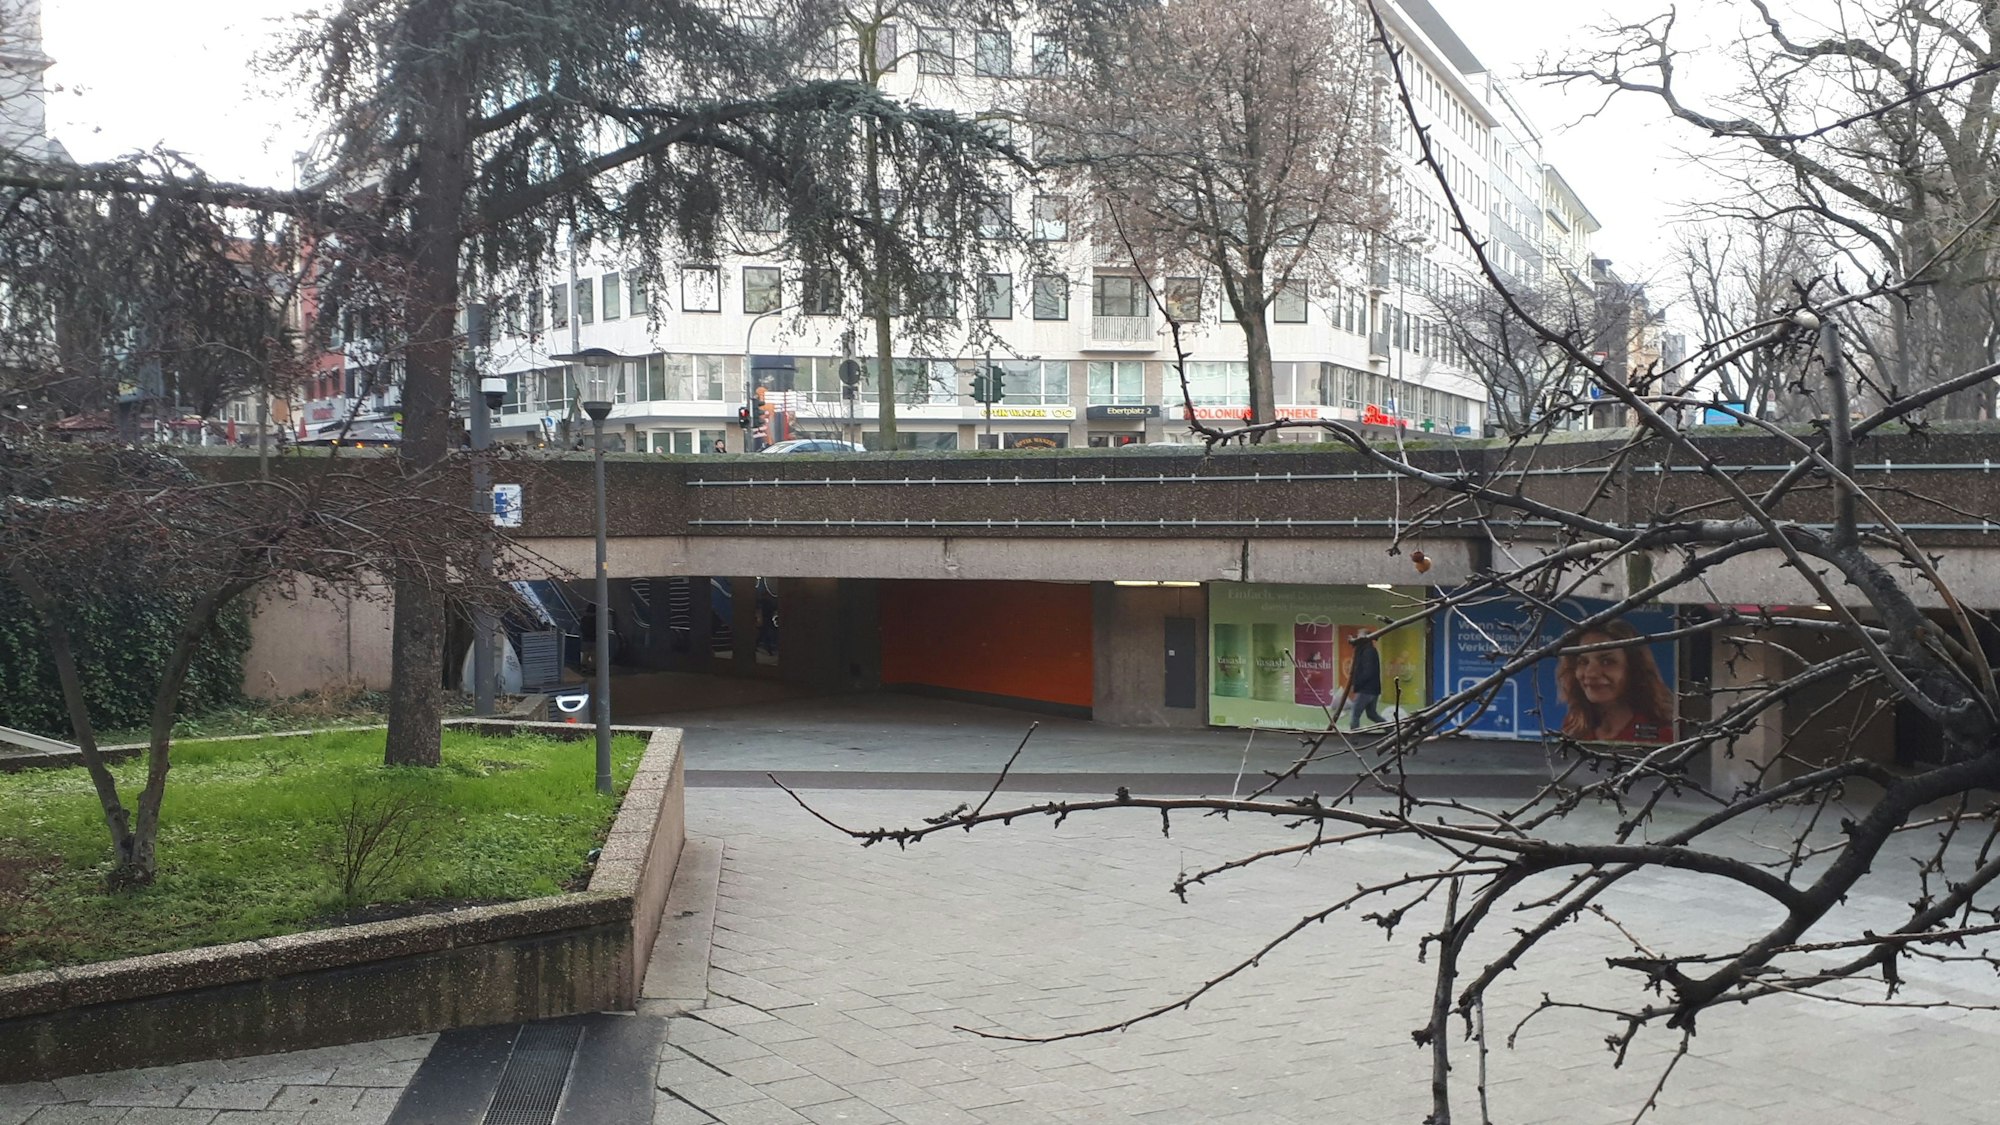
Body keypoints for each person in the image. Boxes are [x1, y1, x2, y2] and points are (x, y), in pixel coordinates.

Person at [1555, 619, 1675, 743]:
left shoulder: (1663, 734)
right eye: (1583, 662)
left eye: (1607, 662)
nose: (1591, 673)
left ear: (1633, 668)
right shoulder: (1574, 725)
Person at [1346, 634, 1385, 729]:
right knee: (1372, 714)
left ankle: (1354, 736)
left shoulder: (1367, 652)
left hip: (1366, 689)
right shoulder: (1366, 650)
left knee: (1355, 713)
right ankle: (1391, 730)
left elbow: (1367, 672)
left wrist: (1356, 684)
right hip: (1373, 689)